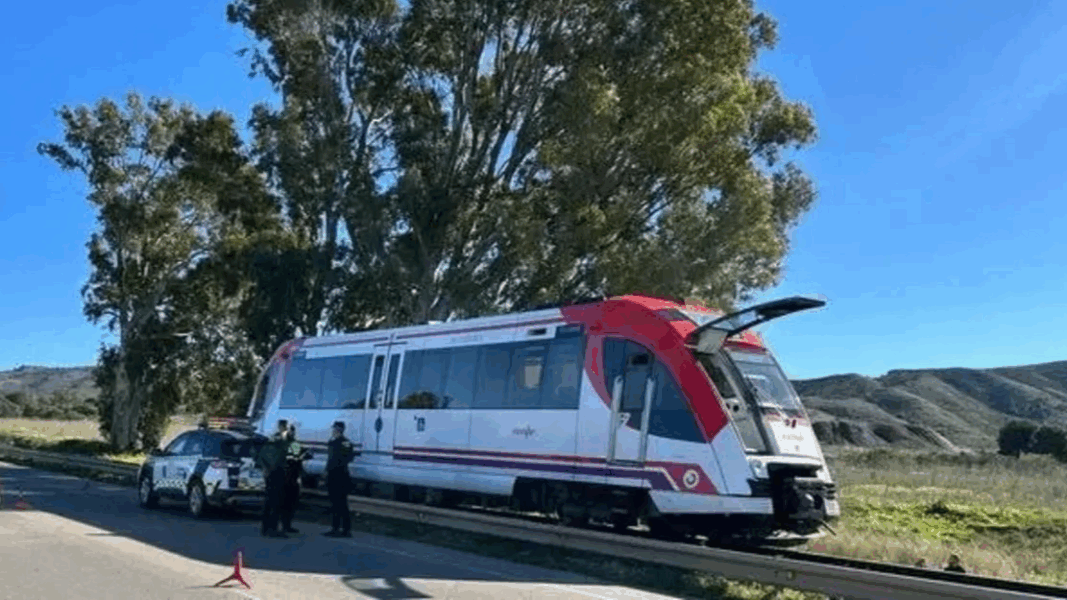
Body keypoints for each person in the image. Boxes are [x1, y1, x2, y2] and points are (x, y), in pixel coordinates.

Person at [255, 420, 290, 538]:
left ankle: (266, 528)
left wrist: (264, 467)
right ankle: (272, 529)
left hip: (272, 472)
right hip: (277, 472)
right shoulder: (283, 440)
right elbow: (294, 453)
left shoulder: (273, 439)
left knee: (269, 501)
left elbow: (262, 455)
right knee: (275, 502)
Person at [323, 421, 357, 537]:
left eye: (334, 429)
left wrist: (327, 471)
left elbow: (333, 460)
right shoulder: (345, 443)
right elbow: (350, 457)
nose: (333, 431)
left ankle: (338, 529)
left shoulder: (335, 443)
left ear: (338, 429)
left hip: (337, 476)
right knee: (340, 504)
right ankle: (343, 529)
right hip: (341, 475)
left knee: (338, 504)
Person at [279, 424, 311, 534]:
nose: (292, 433)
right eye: (291, 431)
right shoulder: (292, 444)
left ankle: (286, 525)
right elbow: (297, 459)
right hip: (289, 476)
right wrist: (304, 455)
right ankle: (285, 525)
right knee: (287, 502)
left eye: (293, 431)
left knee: (289, 502)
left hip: (289, 476)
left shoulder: (287, 443)